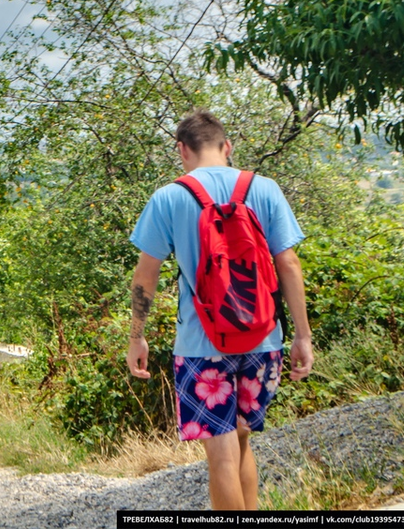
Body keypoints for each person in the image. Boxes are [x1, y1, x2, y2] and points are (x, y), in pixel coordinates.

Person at [126, 109, 315, 510]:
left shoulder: (169, 197)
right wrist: (302, 334)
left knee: (221, 456)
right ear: (227, 147)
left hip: (200, 344)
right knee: (242, 438)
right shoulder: (264, 188)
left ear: (183, 150)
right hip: (264, 338)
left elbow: (145, 276)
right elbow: (289, 265)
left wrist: (137, 336)